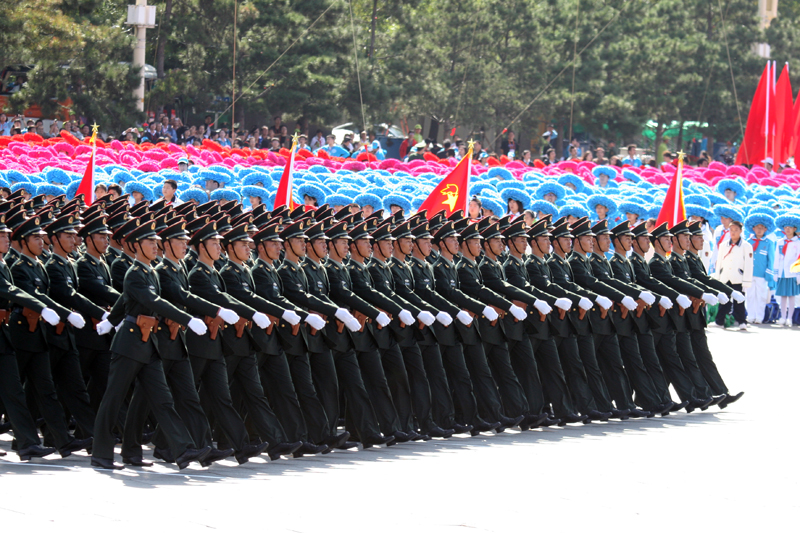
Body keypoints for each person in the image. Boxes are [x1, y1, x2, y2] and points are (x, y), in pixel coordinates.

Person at [90, 219, 213, 469]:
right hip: (130, 344)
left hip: (149, 344)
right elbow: (152, 301)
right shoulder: (134, 274)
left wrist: (110, 320)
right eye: (150, 242)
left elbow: (125, 300)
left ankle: (181, 450)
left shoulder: (151, 271)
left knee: (163, 400)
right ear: (136, 245)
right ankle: (101, 454)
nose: (155, 246)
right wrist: (188, 318)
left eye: (157, 242)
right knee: (113, 398)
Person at [713, 220, 753, 329]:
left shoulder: (746, 246)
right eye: (731, 230)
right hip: (725, 277)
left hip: (738, 277)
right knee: (724, 300)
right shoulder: (723, 245)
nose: (733, 232)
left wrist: (746, 281)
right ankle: (719, 321)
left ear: (740, 231)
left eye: (736, 230)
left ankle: (741, 321)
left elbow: (749, 265)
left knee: (739, 301)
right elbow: (719, 262)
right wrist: (718, 278)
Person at [773, 214, 800, 326]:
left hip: (792, 273)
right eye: (785, 227)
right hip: (782, 273)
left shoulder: (797, 242)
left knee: (792, 296)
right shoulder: (780, 242)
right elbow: (776, 257)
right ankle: (783, 317)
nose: (787, 230)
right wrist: (775, 272)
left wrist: (798, 274)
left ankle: (790, 318)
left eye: (790, 227)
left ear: (795, 229)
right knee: (783, 296)